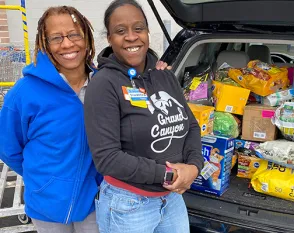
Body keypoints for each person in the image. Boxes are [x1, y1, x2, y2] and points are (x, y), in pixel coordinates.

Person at [0, 5, 169, 233]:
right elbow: (9, 149)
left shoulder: (107, 84)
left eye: (74, 35)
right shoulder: (24, 93)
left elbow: (142, 118)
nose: (68, 44)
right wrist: (44, 180)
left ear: (87, 39)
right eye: (56, 38)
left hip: (96, 202)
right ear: (44, 43)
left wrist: (156, 74)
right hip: (47, 207)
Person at [84, 1, 204, 233]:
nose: (131, 37)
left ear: (147, 32)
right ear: (109, 38)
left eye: (138, 28)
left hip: (171, 200)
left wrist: (194, 167)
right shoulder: (104, 84)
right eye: (121, 31)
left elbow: (190, 126)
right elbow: (107, 158)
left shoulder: (164, 76)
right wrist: (171, 174)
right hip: (128, 205)